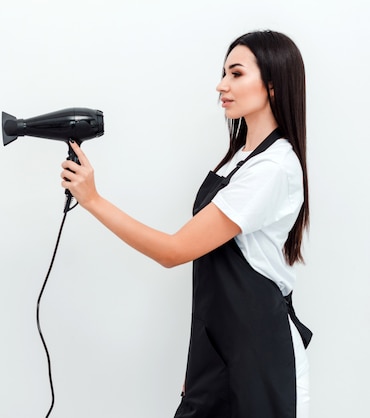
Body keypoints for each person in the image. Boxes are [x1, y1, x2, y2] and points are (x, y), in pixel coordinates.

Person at [60, 30, 312, 418]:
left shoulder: (273, 167)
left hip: (258, 358)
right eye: (223, 73)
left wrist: (92, 200)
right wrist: (201, 362)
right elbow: (212, 279)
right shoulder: (238, 158)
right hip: (220, 351)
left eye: (236, 74)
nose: (221, 85)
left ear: (274, 85)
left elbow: (174, 251)